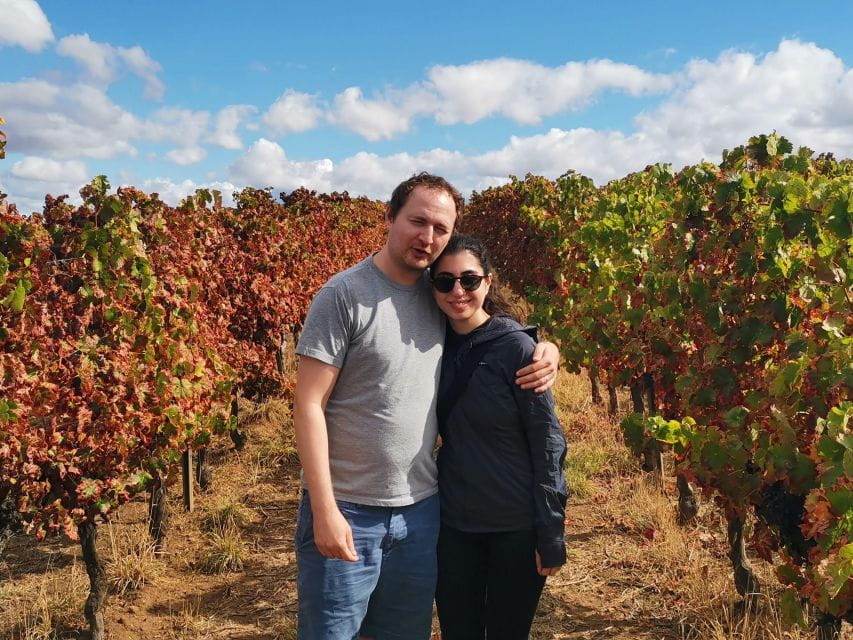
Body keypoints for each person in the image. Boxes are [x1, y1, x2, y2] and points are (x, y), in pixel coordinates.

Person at [293, 173, 559, 640]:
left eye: (441, 228)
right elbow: (308, 404)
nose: (428, 237)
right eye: (417, 221)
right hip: (350, 508)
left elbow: (484, 325)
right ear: (390, 217)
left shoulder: (436, 292)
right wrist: (324, 509)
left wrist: (544, 347)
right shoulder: (344, 295)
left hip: (421, 511)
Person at [430, 234, 568, 640]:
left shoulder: (517, 349)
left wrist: (551, 530)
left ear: (488, 283)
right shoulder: (428, 344)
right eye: (444, 281)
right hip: (453, 526)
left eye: (469, 280)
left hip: (515, 527)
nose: (458, 291)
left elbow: (548, 442)